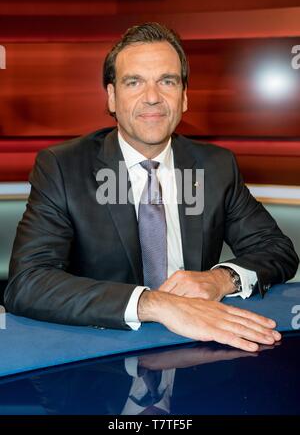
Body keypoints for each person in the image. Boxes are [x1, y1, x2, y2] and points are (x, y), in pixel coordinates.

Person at [5, 23, 299, 353]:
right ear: (112, 97)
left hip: (196, 351)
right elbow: (27, 283)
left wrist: (219, 279)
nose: (153, 97)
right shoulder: (62, 168)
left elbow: (277, 250)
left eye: (167, 81)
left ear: (184, 97)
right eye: (134, 82)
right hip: (100, 357)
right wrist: (155, 304)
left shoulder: (215, 166)